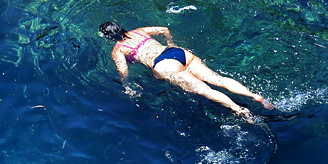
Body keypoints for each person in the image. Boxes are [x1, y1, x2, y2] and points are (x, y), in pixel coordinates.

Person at [99, 21, 273, 120]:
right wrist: (171, 43)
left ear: (108, 37)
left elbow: (124, 73)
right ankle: (254, 96)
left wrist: (127, 86)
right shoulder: (139, 31)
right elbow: (163, 29)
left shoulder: (118, 50)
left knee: (205, 90)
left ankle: (240, 110)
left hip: (163, 65)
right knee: (218, 79)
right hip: (176, 52)